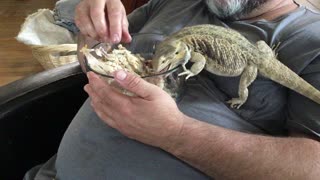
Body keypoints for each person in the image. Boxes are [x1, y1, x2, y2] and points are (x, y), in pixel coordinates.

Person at [25, 0, 320, 179]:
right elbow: (96, 54)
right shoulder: (171, 3)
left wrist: (175, 133)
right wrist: (92, 24)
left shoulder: (311, 39)